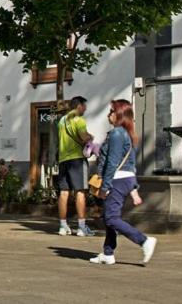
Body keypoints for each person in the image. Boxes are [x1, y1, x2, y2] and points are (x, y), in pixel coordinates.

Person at [89, 100, 157, 266]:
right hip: (124, 179)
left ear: (119, 115)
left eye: (112, 111)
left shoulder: (117, 134)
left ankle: (144, 241)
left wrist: (105, 186)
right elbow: (130, 163)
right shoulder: (126, 134)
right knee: (109, 217)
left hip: (116, 180)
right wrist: (133, 188)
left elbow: (112, 162)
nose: (109, 114)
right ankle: (108, 253)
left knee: (111, 218)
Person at [56, 96, 95, 236]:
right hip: (77, 160)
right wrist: (91, 138)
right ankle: (81, 227)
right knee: (80, 192)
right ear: (79, 106)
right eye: (84, 106)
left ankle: (63, 226)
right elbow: (84, 138)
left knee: (63, 192)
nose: (85, 109)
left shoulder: (61, 121)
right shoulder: (79, 120)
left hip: (63, 160)